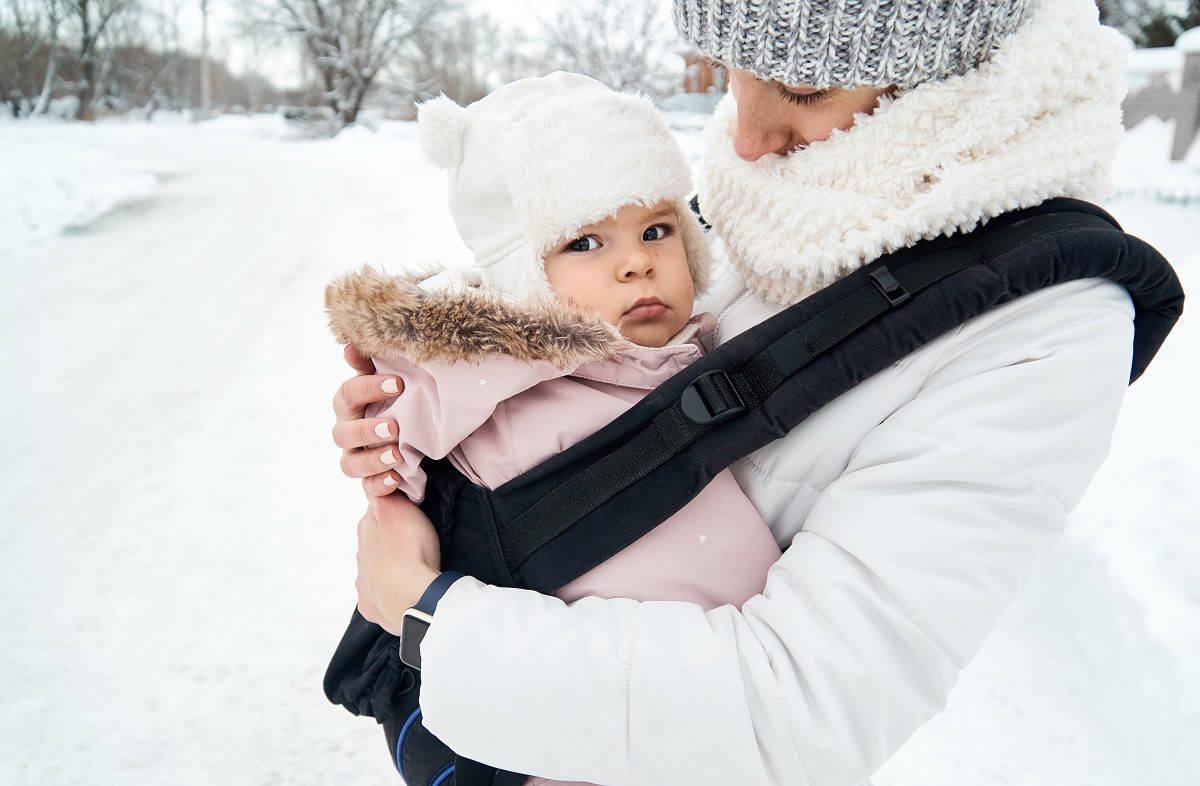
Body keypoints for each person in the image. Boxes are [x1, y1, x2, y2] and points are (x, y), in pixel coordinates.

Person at [335, 0, 1149, 783]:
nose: (746, 141)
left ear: (943, 72)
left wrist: (430, 618)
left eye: (801, 89)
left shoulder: (1046, 322)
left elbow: (801, 711)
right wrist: (428, 391)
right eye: (729, 70)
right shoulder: (763, 197)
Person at [326, 72, 780, 618]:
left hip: (716, 661)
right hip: (615, 666)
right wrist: (387, 420)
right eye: (584, 242)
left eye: (656, 230)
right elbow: (406, 425)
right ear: (519, 276)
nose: (638, 262)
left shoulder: (669, 357)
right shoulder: (503, 383)